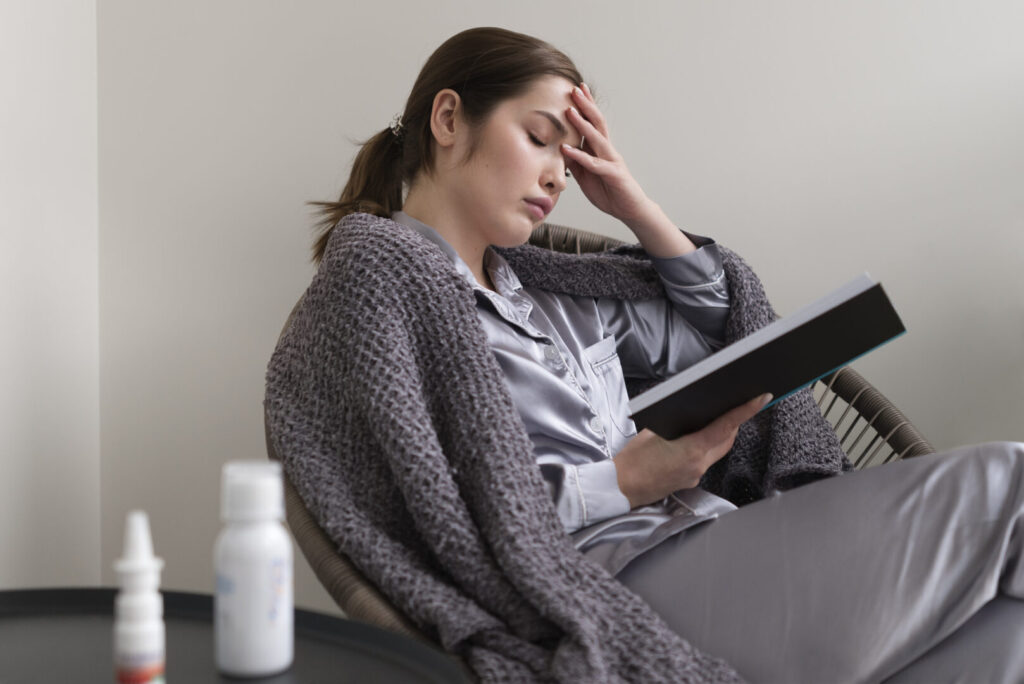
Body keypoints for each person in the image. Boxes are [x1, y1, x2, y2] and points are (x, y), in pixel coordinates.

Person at [266, 26, 1024, 683]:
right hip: (610, 585)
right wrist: (626, 481)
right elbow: (438, 522)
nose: (559, 174)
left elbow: (722, 334)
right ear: (448, 117)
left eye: (572, 155)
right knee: (1011, 480)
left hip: (711, 534)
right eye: (539, 139)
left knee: (1009, 643)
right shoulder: (376, 278)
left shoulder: (558, 296)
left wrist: (635, 206)